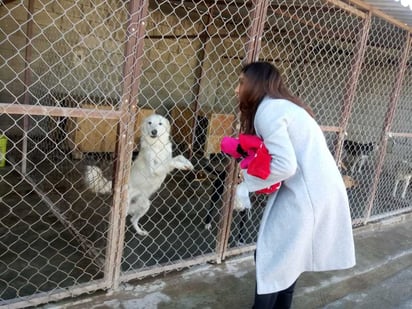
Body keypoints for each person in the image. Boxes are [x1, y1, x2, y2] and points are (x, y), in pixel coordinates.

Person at [234, 61, 356, 309]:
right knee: (287, 260)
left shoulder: (267, 112)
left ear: (256, 84)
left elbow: (285, 165)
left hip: (307, 194)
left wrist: (246, 183)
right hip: (317, 190)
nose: (237, 90)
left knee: (271, 259)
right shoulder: (286, 107)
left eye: (241, 83)